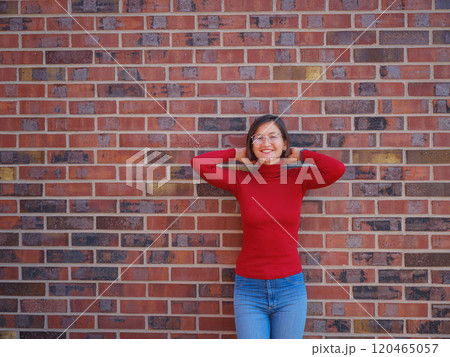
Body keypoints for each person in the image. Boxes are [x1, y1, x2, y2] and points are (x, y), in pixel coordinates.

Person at [190, 114, 345, 339]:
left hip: (290, 288)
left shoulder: (299, 178)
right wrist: (238, 153)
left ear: (284, 144)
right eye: (259, 138)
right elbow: (198, 164)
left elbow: (336, 169)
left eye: (273, 137)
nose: (266, 143)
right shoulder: (241, 180)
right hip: (249, 290)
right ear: (252, 145)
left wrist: (301, 154)